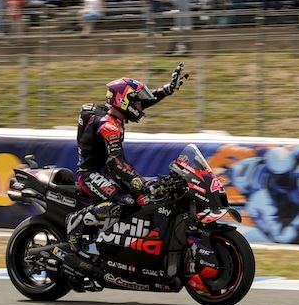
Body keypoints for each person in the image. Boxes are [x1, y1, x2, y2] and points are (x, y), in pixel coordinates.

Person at [54, 67, 201, 284]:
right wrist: (138, 181)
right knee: (125, 202)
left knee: (143, 197)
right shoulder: (109, 126)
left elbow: (144, 102)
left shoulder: (115, 113)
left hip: (104, 172)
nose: (141, 106)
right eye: (137, 102)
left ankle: (115, 244)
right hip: (90, 174)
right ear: (124, 102)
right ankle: (78, 221)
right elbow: (115, 163)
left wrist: (167, 90)